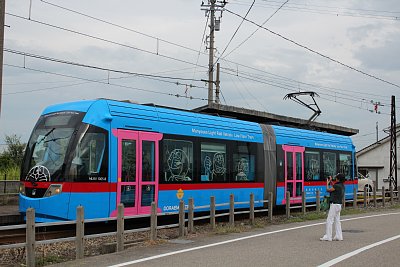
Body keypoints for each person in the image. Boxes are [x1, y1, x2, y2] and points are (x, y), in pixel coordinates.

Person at [320, 173, 346, 241]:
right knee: (337, 221)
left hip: (334, 205)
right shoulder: (342, 186)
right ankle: (339, 236)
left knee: (329, 220)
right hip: (339, 205)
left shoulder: (336, 186)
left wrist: (327, 183)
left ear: (338, 179)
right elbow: (334, 186)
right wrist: (331, 181)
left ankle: (328, 236)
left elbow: (328, 190)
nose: (335, 179)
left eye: (336, 178)